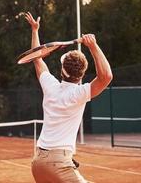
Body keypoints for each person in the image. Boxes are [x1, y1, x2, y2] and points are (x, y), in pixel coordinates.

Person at [24, 12, 113, 183]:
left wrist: (35, 30)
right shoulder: (79, 94)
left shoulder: (50, 86)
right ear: (82, 74)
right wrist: (93, 46)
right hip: (59, 163)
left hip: (38, 164)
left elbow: (37, 58)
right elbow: (106, 76)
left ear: (61, 70)